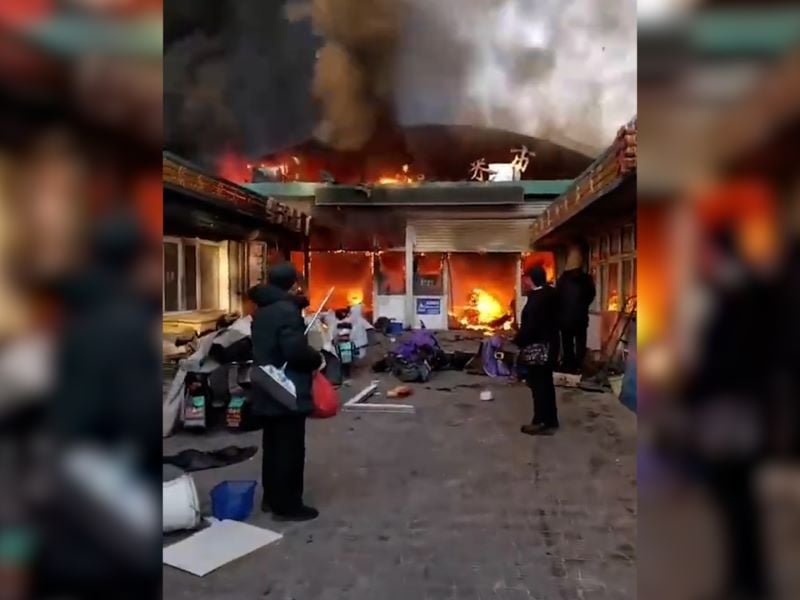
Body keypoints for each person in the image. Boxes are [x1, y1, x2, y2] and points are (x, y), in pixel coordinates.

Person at [248, 262, 322, 521]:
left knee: (272, 445)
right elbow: (295, 352)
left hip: (266, 383)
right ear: (291, 283)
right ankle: (289, 505)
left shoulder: (262, 309)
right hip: (287, 387)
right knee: (290, 447)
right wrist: (315, 358)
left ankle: (271, 499)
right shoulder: (286, 312)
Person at [515, 264, 560, 435]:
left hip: (539, 350)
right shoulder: (550, 294)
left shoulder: (537, 300)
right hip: (550, 346)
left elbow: (531, 327)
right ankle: (551, 420)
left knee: (539, 385)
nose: (523, 282)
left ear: (530, 279)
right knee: (546, 384)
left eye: (525, 278)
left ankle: (541, 422)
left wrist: (517, 341)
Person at [556, 243, 596, 374]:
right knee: (580, 342)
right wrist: (582, 305)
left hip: (565, 318)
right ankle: (580, 365)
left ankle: (569, 365)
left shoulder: (562, 280)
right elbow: (591, 295)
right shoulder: (586, 279)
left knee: (567, 343)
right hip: (580, 317)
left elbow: (557, 297)